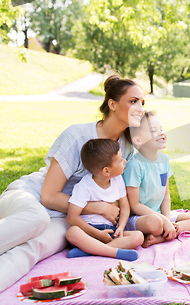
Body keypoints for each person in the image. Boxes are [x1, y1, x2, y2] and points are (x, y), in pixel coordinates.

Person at [0, 75, 145, 292]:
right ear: (112, 104)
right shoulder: (77, 136)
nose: (140, 108)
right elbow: (48, 196)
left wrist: (157, 222)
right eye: (133, 101)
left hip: (65, 217)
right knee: (36, 219)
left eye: (143, 103)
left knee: (36, 248)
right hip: (30, 198)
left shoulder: (126, 147)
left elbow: (123, 196)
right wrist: (96, 207)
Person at [123, 111, 190, 248]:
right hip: (139, 218)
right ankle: (164, 233)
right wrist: (164, 220)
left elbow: (166, 196)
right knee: (155, 223)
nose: (161, 133)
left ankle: (162, 237)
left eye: (161, 129)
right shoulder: (134, 166)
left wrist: (167, 220)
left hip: (160, 215)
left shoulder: (164, 160)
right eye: (154, 130)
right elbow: (134, 205)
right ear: (138, 140)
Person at [66, 139, 144, 260]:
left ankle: (91, 251)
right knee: (72, 232)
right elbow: (72, 217)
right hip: (88, 232)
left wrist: (121, 228)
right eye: (120, 160)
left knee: (138, 236)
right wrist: (97, 234)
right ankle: (114, 252)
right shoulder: (84, 186)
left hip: (110, 231)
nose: (125, 161)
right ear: (106, 171)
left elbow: (124, 206)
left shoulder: (117, 180)